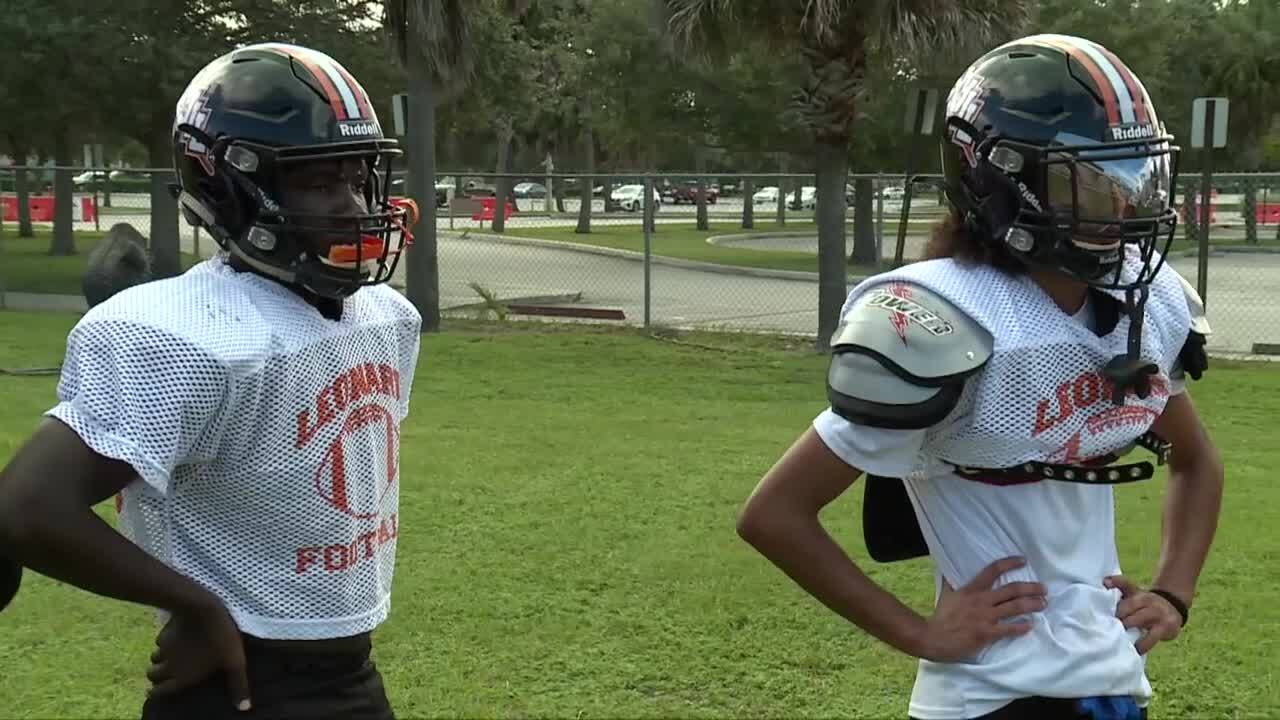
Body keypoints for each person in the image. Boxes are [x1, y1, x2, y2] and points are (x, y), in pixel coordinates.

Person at [736, 34, 1223, 720]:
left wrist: (1174, 592)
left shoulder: (1140, 306)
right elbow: (774, 514)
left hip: (1110, 679)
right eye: (1084, 179)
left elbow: (1196, 461)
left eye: (1130, 176)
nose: (1120, 205)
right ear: (1000, 178)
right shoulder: (952, 316)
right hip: (988, 696)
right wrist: (921, 634)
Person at [0, 42, 421, 719]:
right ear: (226, 189)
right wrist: (194, 603)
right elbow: (25, 508)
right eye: (316, 182)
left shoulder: (386, 317)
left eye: (355, 177)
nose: (350, 206)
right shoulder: (183, 335)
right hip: (238, 682)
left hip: (350, 669)